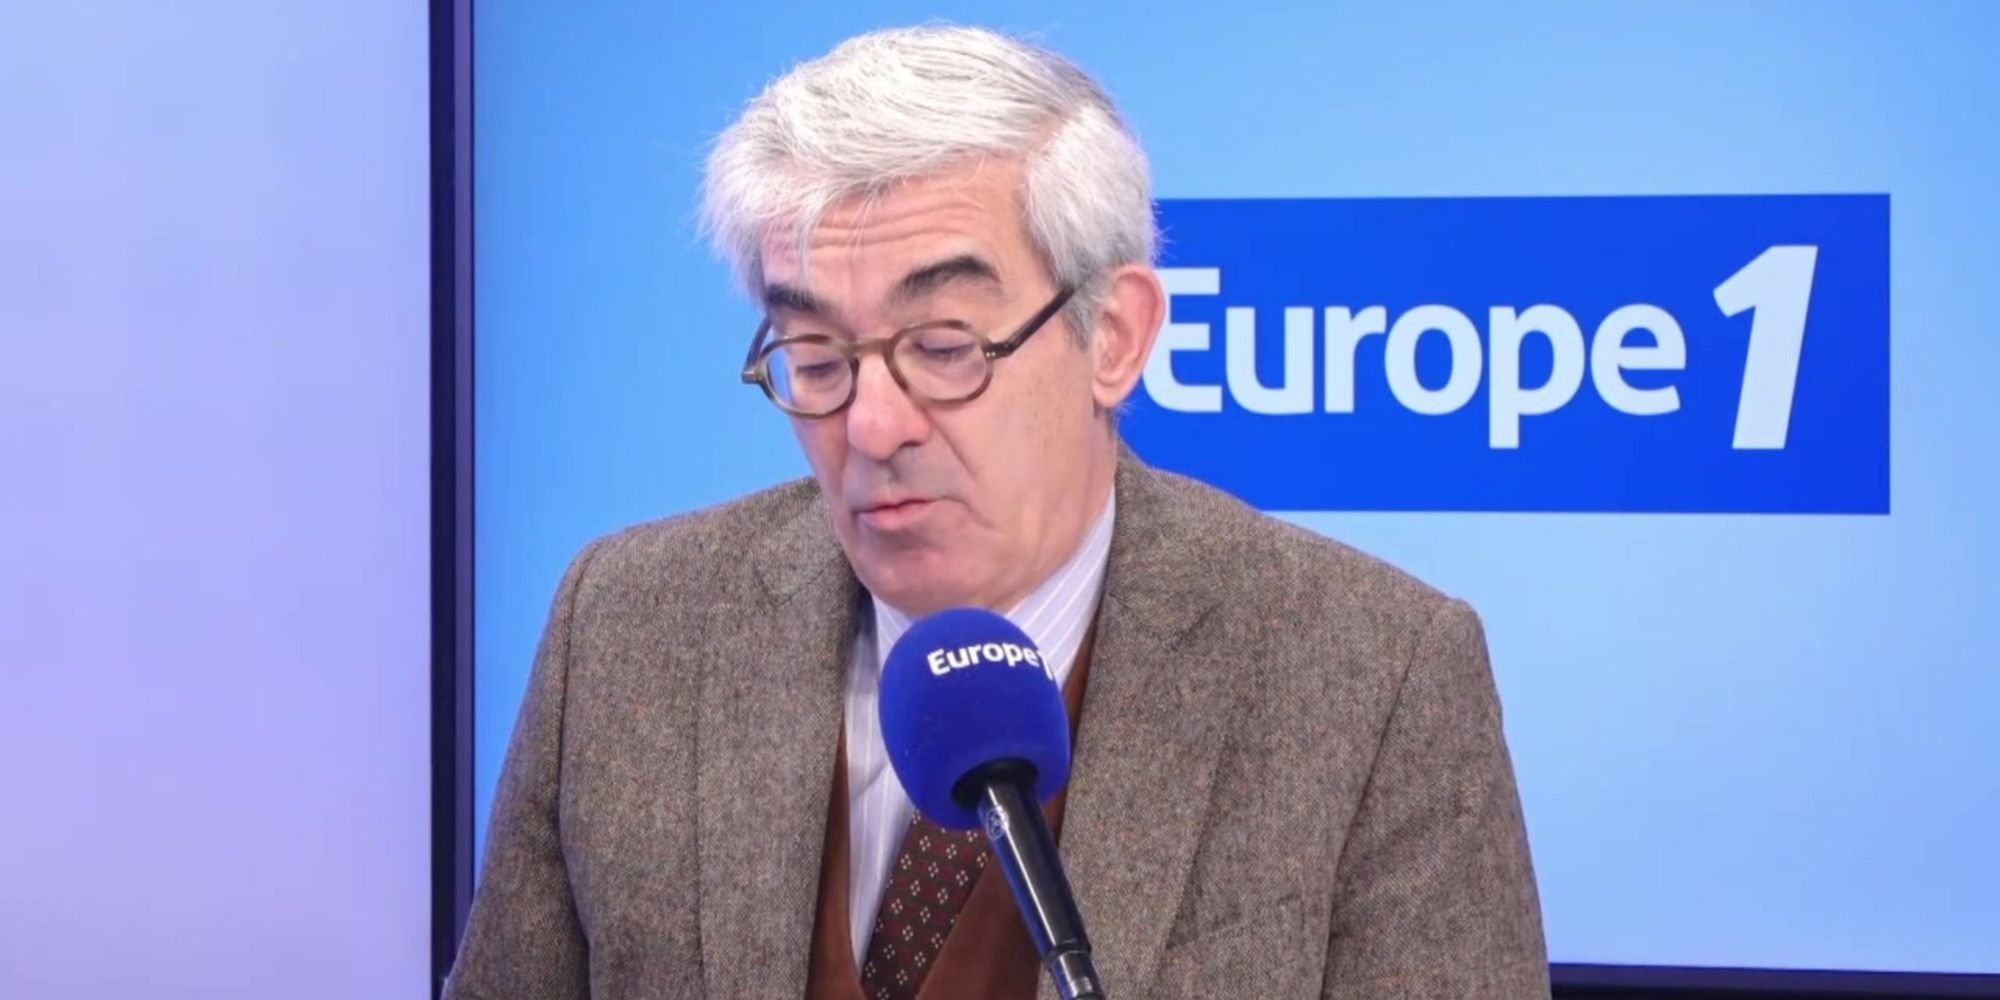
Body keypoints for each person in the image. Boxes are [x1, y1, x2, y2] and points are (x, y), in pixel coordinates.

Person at [445, 25, 1548, 1000]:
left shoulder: (1375, 674)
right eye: (816, 357)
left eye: (943, 348)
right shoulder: (627, 627)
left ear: (1113, 336)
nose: (873, 425)